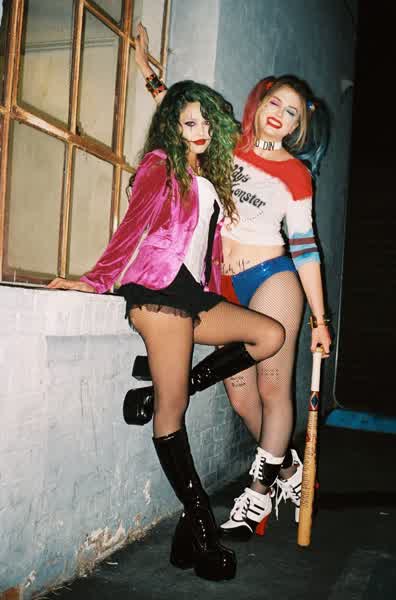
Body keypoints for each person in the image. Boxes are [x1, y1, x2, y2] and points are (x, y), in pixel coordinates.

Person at [47, 79, 286, 580]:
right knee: (173, 412)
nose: (200, 131)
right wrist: (95, 280)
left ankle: (160, 392)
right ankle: (201, 527)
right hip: (158, 292)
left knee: (269, 335)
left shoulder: (207, 173)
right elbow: (132, 227)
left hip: (193, 294)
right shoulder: (161, 165)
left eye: (206, 123)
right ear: (173, 127)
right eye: (189, 122)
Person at [133, 24, 332, 540]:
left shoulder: (296, 175)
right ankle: (287, 468)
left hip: (272, 277)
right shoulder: (226, 144)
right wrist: (148, 70)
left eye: (293, 112)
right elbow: (183, 113)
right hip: (221, 284)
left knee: (272, 386)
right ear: (259, 103)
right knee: (242, 400)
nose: (281, 113)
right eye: (276, 102)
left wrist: (320, 319)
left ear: (298, 127)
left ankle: (257, 493)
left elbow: (306, 246)